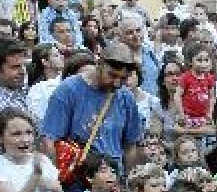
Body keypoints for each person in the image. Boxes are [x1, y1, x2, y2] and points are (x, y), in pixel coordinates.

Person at [41, 41, 145, 175]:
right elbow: (49, 140)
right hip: (78, 176)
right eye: (112, 75)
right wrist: (55, 180)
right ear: (99, 64)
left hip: (113, 175)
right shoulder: (68, 90)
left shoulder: (126, 97)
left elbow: (130, 146)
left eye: (123, 78)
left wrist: (127, 180)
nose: (117, 83)